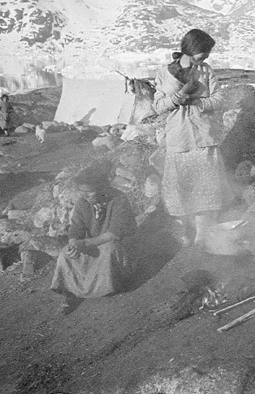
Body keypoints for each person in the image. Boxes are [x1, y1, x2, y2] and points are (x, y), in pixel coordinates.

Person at [153, 29, 229, 248]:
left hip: (203, 136)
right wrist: (177, 98)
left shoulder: (206, 71)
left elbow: (219, 98)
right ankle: (184, 232)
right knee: (181, 188)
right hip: (179, 137)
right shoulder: (164, 73)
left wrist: (198, 103)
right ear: (191, 48)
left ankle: (202, 235)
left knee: (206, 188)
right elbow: (157, 106)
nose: (206, 56)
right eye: (202, 52)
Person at [50, 166, 136, 314]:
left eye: (89, 192)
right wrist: (73, 244)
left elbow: (114, 234)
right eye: (81, 191)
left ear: (102, 188)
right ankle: (70, 293)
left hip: (118, 243)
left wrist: (84, 243)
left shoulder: (118, 200)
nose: (85, 195)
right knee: (65, 255)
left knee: (110, 250)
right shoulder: (82, 203)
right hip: (94, 242)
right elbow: (75, 228)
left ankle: (112, 285)